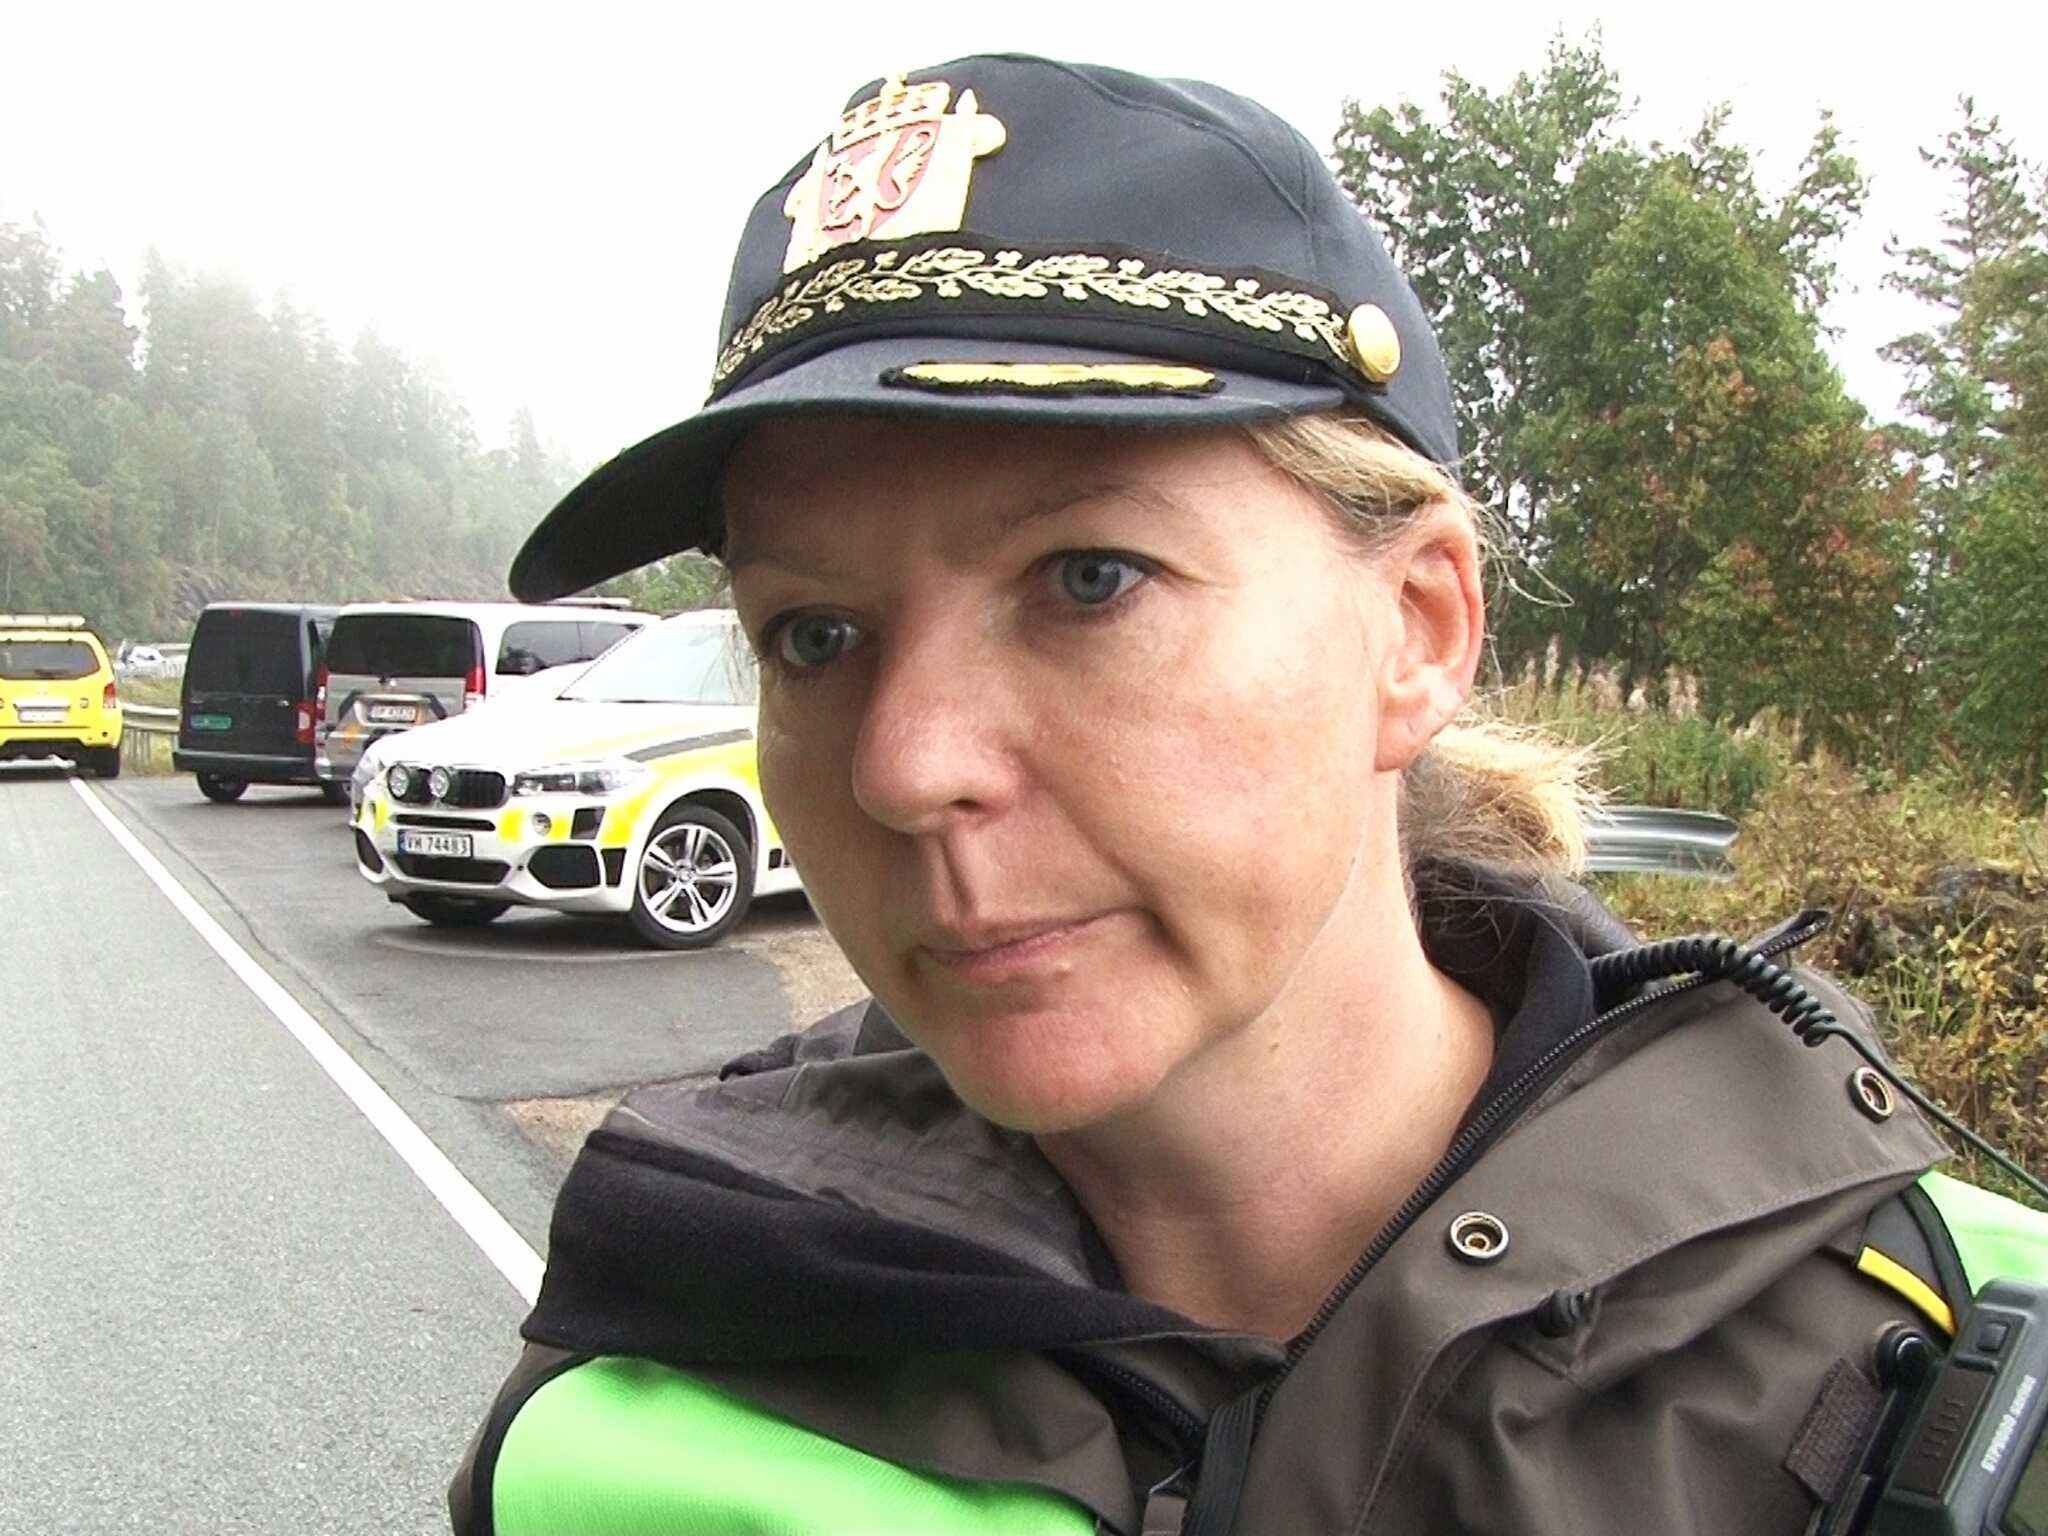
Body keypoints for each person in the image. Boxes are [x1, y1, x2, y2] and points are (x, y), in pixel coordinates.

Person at [451, 55, 2042, 1535]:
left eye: (1088, 579)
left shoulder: (1951, 1355)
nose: (907, 765)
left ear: (1417, 628)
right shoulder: (650, 1400)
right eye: (814, 635)